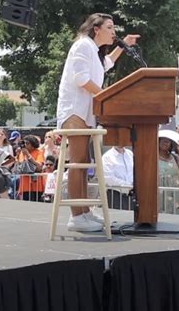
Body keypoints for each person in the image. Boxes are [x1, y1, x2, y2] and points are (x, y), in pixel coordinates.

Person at [56, 13, 140, 232]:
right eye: (110, 27)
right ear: (96, 29)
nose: (114, 32)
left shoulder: (93, 51)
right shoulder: (83, 46)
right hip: (74, 111)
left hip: (86, 113)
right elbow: (81, 79)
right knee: (78, 163)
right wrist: (106, 95)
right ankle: (76, 217)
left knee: (83, 164)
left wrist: (125, 45)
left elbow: (107, 64)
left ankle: (84, 212)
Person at [158, 131, 179, 214]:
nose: (165, 142)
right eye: (163, 140)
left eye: (168, 141)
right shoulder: (152, 157)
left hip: (175, 196)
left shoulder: (175, 157)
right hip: (159, 196)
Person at [102, 146, 134, 210]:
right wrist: (127, 186)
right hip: (115, 195)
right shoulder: (107, 156)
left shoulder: (130, 154)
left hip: (131, 194)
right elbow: (108, 178)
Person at [15, 135, 45, 202]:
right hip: (25, 185)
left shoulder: (39, 152)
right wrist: (17, 155)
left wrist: (28, 155)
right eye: (24, 143)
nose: (25, 145)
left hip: (36, 185)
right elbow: (20, 167)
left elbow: (39, 167)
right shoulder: (21, 153)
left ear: (33, 144)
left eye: (27, 143)